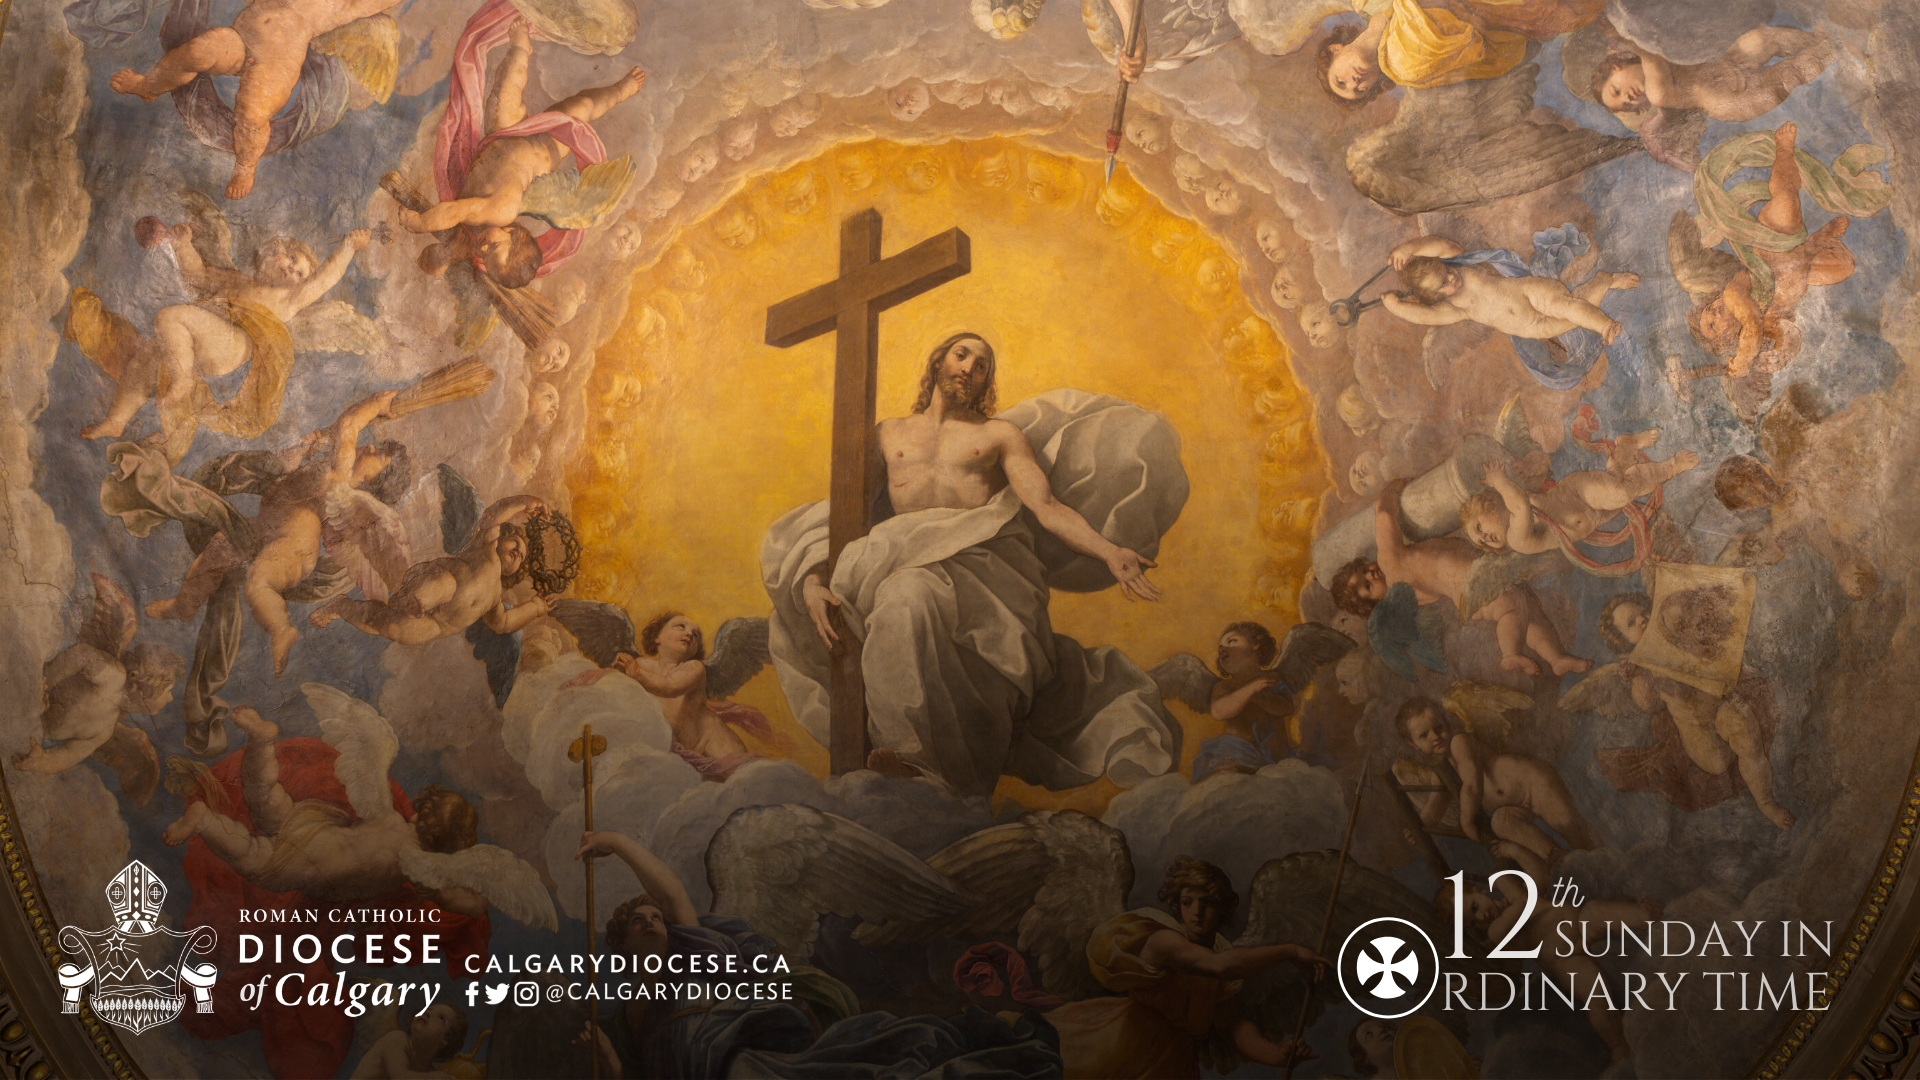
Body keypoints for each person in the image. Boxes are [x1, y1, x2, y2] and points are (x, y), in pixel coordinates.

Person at [763, 333, 1182, 796]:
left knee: (909, 596)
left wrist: (1109, 552)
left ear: (986, 381)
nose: (969, 368)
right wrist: (813, 578)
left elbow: (1045, 507)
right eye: (961, 355)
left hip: (984, 572)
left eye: (981, 365)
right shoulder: (889, 434)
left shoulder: (998, 436)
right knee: (904, 598)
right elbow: (845, 514)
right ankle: (907, 760)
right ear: (937, 362)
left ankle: (920, 764)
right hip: (901, 563)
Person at [568, 830, 1060, 1078]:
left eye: (655, 917)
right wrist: (607, 1057)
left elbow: (670, 890)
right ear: (623, 945)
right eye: (638, 922)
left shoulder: (691, 957)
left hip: (741, 1067)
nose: (651, 922)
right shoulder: (626, 1015)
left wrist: (616, 842)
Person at [145, 390, 412, 675]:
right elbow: (291, 473)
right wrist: (302, 450)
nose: (370, 447)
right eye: (377, 447)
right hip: (268, 529)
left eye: (379, 455)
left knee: (258, 583)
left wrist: (377, 403)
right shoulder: (334, 469)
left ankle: (281, 630)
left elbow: (348, 423)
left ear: (370, 481)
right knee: (216, 552)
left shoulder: (340, 473)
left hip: (295, 543)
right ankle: (184, 606)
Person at [70, 220, 372, 462]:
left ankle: (182, 379)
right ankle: (116, 419)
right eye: (292, 258)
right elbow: (197, 275)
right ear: (274, 250)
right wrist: (183, 244)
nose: (292, 268)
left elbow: (325, 278)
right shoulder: (236, 280)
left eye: (300, 273)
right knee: (145, 360)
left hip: (230, 344)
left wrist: (348, 246)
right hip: (203, 339)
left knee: (169, 317)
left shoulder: (288, 299)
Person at [401, 17, 645, 289]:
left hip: (504, 135)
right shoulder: (500, 212)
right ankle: (617, 89)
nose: (482, 250)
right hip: (542, 151)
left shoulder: (483, 229)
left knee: (508, 93)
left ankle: (523, 51)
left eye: (485, 257)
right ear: (512, 233)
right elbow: (452, 213)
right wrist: (419, 224)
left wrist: (441, 257)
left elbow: (456, 233)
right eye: (493, 249)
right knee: (578, 107)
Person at [1042, 856, 1330, 1076]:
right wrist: (1290, 950)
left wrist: (1275, 1055)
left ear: (1223, 908)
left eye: (1207, 903)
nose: (1197, 912)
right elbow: (1220, 966)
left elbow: (1231, 1026)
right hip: (1124, 1049)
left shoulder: (1222, 951)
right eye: (1187, 902)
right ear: (1176, 905)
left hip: (1173, 1064)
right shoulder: (1164, 940)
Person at [106, 0, 400, 198]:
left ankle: (246, 166)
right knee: (196, 52)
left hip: (278, 58)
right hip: (242, 36)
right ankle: (148, 85)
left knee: (251, 114)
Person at [1330, 479, 1589, 676]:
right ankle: (1510, 654)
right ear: (1375, 602)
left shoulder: (1408, 596)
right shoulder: (1389, 562)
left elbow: (1435, 589)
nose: (1371, 573)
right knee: (1513, 608)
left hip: (1477, 585)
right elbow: (1384, 513)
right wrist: (1391, 488)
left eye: (1363, 569)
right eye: (1367, 585)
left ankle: (1555, 658)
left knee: (1528, 606)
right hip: (1476, 586)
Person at [1585, 591, 1792, 829]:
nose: (1642, 619)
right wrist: (1639, 675)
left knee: (1747, 736)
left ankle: (1766, 803)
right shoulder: (1639, 664)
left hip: (1721, 703)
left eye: (1643, 613)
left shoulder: (1672, 630)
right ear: (1625, 642)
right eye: (1631, 623)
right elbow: (1647, 702)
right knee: (1718, 763)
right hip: (1695, 727)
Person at [1438, 843, 1652, 1066]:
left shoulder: (1514, 895)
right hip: (1567, 959)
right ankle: (1618, 1045)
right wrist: (1505, 882)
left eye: (1474, 907)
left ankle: (1644, 915)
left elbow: (1541, 878)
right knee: (1595, 994)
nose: (1481, 917)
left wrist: (1516, 851)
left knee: (1597, 910)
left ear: (1478, 890)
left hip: (1582, 923)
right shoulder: (1496, 930)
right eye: (1473, 922)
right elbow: (1524, 905)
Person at [309, 495, 550, 646]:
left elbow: (504, 623)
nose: (517, 552)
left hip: (437, 623)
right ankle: (409, 598)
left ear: (514, 572)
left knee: (393, 628)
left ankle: (342, 607)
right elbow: (493, 516)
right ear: (502, 538)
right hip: (431, 580)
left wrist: (536, 607)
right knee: (446, 584)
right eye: (515, 543)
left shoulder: (495, 598)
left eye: (521, 557)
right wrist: (523, 503)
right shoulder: (486, 548)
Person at [1396, 696, 1597, 861]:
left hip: (1533, 783)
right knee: (1501, 822)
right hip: (1511, 805)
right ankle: (1557, 857)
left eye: (1438, 727)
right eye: (1424, 735)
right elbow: (1435, 805)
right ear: (1412, 744)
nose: (1435, 736)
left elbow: (1472, 785)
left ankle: (1603, 862)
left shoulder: (1459, 742)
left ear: (1446, 723)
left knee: (1569, 826)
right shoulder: (1441, 772)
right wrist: (1417, 827)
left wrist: (1467, 822)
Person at [1317, 0, 1605, 104]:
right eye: (1359, 90)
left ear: (1335, 50)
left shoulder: (1365, 3)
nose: (1355, 82)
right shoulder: (1404, 63)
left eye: (1340, 81)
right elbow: (1440, 11)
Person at [1462, 439, 1698, 555]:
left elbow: (1540, 473)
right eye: (1482, 542)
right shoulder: (1516, 540)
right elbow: (1521, 507)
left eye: (1479, 527)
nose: (1485, 538)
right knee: (1619, 481)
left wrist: (1508, 476)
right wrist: (1501, 482)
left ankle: (1672, 466)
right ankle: (1627, 444)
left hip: (1577, 492)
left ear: (1488, 506)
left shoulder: (1515, 500)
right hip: (1594, 517)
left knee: (1622, 492)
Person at [1593, 26, 1831, 123]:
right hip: (1733, 100)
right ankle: (1832, 49)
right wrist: (1623, 37)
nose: (1628, 98)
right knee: (1789, 74)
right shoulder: (1657, 93)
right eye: (1626, 105)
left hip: (1729, 60)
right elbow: (1652, 58)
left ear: (1616, 68)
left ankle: (1818, 38)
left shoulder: (1660, 56)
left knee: (1765, 38)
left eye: (1617, 90)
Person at [349, 1002, 469, 1079]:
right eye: (428, 1009)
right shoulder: (397, 1039)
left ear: (446, 1039)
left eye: (441, 1018)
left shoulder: (427, 1071)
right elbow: (399, 1077)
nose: (427, 1013)